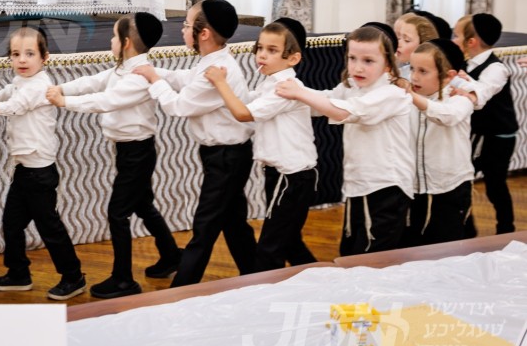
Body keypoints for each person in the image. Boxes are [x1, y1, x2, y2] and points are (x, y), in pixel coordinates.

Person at [46, 13, 182, 298]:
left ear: (126, 42)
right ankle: (171, 255)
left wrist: (64, 101)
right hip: (129, 151)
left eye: (113, 36)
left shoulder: (139, 75)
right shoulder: (122, 69)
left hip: (138, 152)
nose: (110, 40)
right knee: (143, 205)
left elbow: (106, 101)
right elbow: (94, 82)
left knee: (117, 213)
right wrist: (62, 88)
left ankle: (123, 279)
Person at [133, 0, 256, 286]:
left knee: (205, 227)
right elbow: (184, 78)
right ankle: (257, 275)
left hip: (226, 158)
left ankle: (181, 290)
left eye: (187, 25)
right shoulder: (211, 62)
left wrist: (154, 79)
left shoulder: (217, 71)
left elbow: (178, 106)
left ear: (204, 34)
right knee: (234, 223)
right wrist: (154, 72)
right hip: (225, 155)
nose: (182, 30)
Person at [0, 26, 87, 301]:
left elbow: (8, 108)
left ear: (45, 57)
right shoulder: (21, 82)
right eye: (16, 54)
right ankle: (18, 273)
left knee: (49, 227)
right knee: (12, 223)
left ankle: (73, 276)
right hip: (25, 169)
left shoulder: (38, 86)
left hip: (39, 171)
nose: (22, 59)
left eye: (29, 54)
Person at [276, 24, 414, 255]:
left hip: (386, 188)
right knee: (350, 253)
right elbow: (324, 101)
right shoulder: (351, 86)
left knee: (371, 259)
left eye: (368, 61)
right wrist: (282, 94)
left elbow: (345, 111)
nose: (358, 67)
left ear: (388, 64)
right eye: (352, 58)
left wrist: (299, 93)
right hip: (357, 186)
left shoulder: (392, 94)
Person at [203, 18, 318, 272]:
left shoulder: (285, 87)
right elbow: (245, 102)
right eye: (260, 48)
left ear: (293, 59)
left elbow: (243, 113)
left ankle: (267, 294)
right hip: (281, 175)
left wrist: (221, 83)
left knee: (269, 251)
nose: (262, 55)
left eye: (272, 50)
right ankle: (324, 282)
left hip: (292, 176)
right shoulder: (269, 83)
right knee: (289, 243)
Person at [402, 40, 475, 246]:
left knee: (447, 248)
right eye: (412, 69)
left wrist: (412, 96)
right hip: (413, 188)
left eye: (423, 71)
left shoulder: (460, 100)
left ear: (448, 76)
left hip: (449, 188)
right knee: (411, 246)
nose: (414, 77)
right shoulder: (407, 99)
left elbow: (446, 116)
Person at [454, 13, 518, 235]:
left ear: (471, 41)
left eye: (456, 36)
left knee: (495, 185)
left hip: (498, 136)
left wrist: (461, 81)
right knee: (464, 180)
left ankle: (506, 229)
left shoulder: (496, 69)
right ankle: (467, 230)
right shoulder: (464, 63)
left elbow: (483, 92)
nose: (454, 40)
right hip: (478, 133)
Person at [394, 12, 438, 79]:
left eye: (407, 40)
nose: (398, 43)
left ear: (423, 46)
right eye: (399, 38)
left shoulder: (435, 75)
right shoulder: (400, 72)